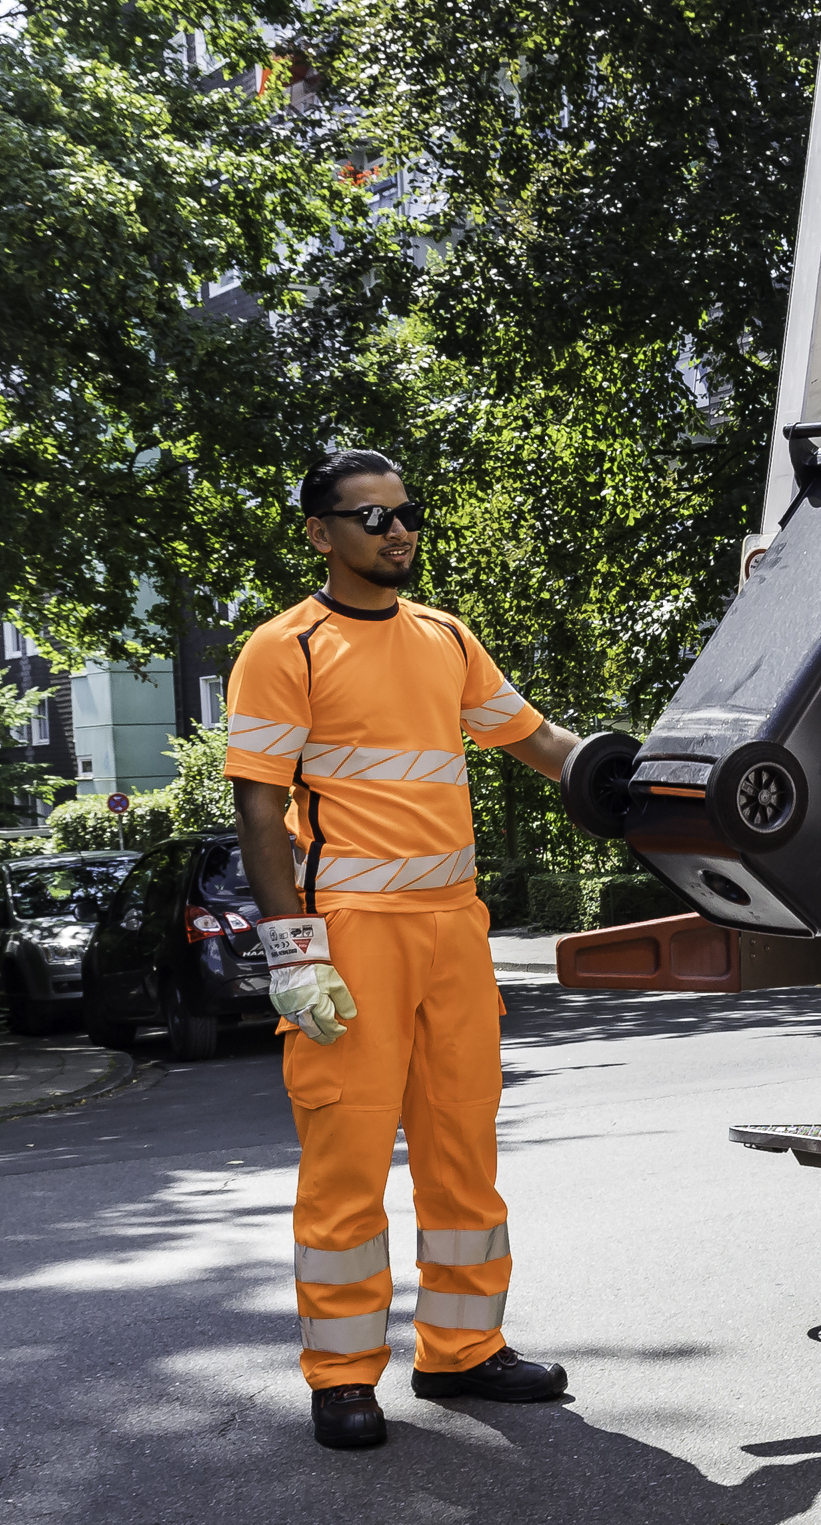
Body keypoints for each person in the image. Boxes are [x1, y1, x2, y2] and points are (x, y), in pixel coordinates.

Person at [224, 450, 590, 1451]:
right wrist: (293, 954)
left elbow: (540, 742)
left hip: (454, 932)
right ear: (320, 534)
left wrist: (638, 776)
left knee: (462, 1148)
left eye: (405, 513)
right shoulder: (285, 648)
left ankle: (463, 1350)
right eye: (371, 515)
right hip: (351, 939)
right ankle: (343, 1375)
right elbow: (259, 805)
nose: (396, 530)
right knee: (345, 1159)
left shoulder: (446, 638)